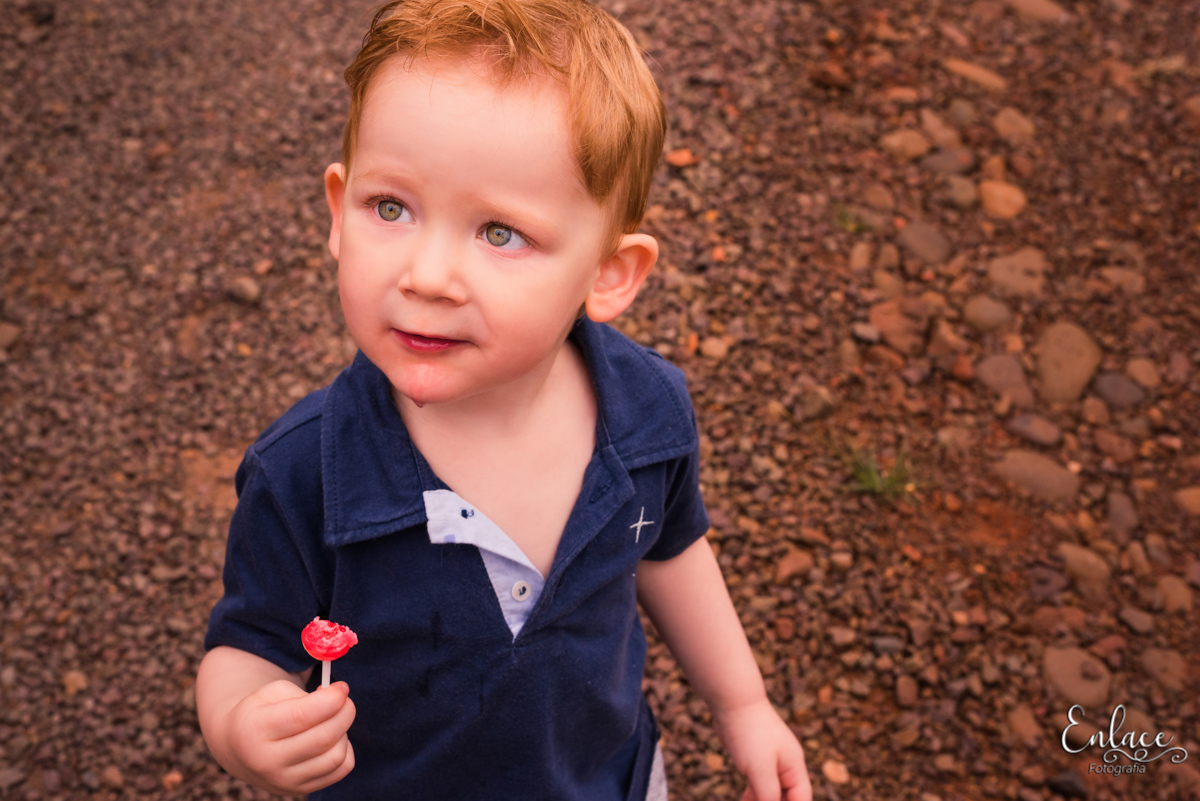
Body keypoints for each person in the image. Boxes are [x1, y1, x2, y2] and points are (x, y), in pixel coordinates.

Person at [196, 1, 811, 799]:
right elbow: (247, 643)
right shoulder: (305, 471)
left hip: (608, 778)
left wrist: (743, 702)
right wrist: (241, 724)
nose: (426, 276)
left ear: (608, 273)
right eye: (391, 208)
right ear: (338, 211)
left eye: (499, 233)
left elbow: (671, 548)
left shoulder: (646, 412)